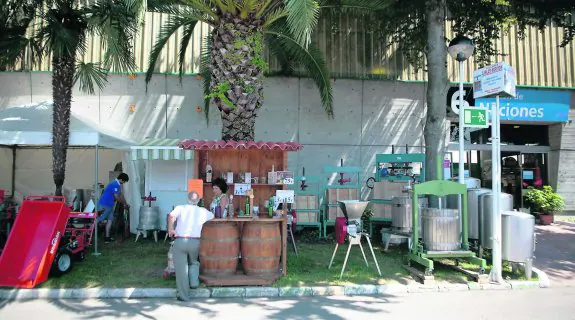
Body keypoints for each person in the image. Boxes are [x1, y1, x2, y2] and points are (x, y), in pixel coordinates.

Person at [167, 191, 214, 301]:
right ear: (198, 200)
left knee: (181, 270)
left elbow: (171, 216)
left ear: (188, 199)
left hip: (180, 240)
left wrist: (170, 229)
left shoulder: (180, 208)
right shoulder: (203, 211)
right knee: (193, 262)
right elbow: (212, 216)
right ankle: (193, 283)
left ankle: (184, 296)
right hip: (194, 242)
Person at [97, 173, 130, 243]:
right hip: (105, 204)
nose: (123, 183)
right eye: (124, 181)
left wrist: (126, 203)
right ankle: (89, 236)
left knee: (110, 220)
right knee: (99, 220)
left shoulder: (117, 185)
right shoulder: (115, 184)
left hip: (110, 205)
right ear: (121, 179)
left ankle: (107, 238)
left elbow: (121, 195)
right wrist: (124, 204)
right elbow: (117, 197)